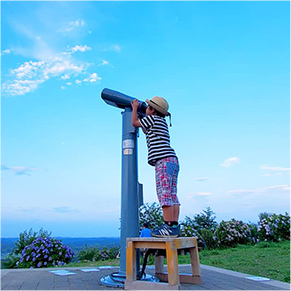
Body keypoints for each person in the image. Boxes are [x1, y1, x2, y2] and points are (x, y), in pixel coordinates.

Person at [131, 96, 180, 237]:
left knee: (163, 192)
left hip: (163, 161)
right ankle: (175, 226)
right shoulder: (161, 122)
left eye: (147, 107)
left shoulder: (151, 119)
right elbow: (146, 130)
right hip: (173, 160)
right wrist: (142, 114)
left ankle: (168, 226)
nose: (145, 108)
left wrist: (134, 108)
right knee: (172, 194)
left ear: (152, 110)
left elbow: (134, 122)